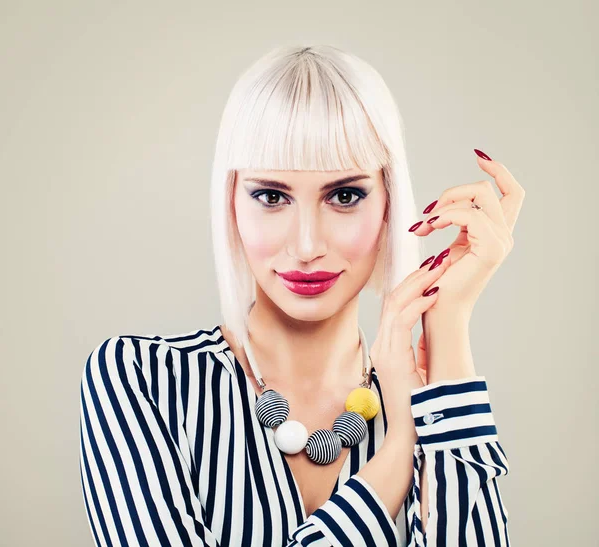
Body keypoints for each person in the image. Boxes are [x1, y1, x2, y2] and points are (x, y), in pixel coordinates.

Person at [79, 44, 523, 546]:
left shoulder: (430, 403)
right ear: (230, 202)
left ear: (389, 205)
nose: (307, 246)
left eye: (345, 196)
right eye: (271, 196)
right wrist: (399, 449)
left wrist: (447, 328)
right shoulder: (143, 379)